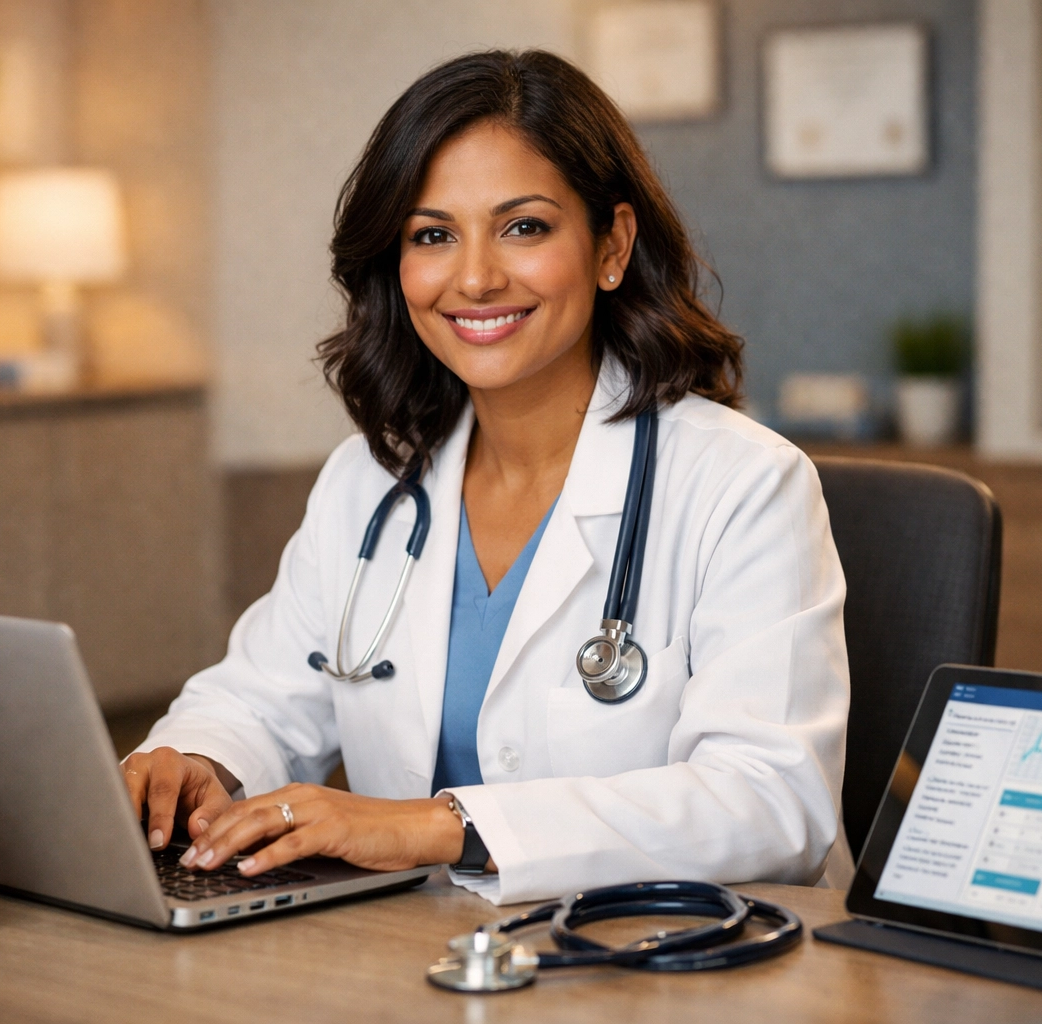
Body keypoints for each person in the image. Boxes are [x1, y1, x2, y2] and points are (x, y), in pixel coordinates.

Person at [123, 49, 851, 904]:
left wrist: (440, 825)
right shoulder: (371, 484)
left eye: (523, 227)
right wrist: (194, 760)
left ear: (611, 246)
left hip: (651, 964)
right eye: (433, 235)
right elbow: (262, 696)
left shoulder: (744, 485)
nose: (474, 278)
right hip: (408, 958)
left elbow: (771, 803)